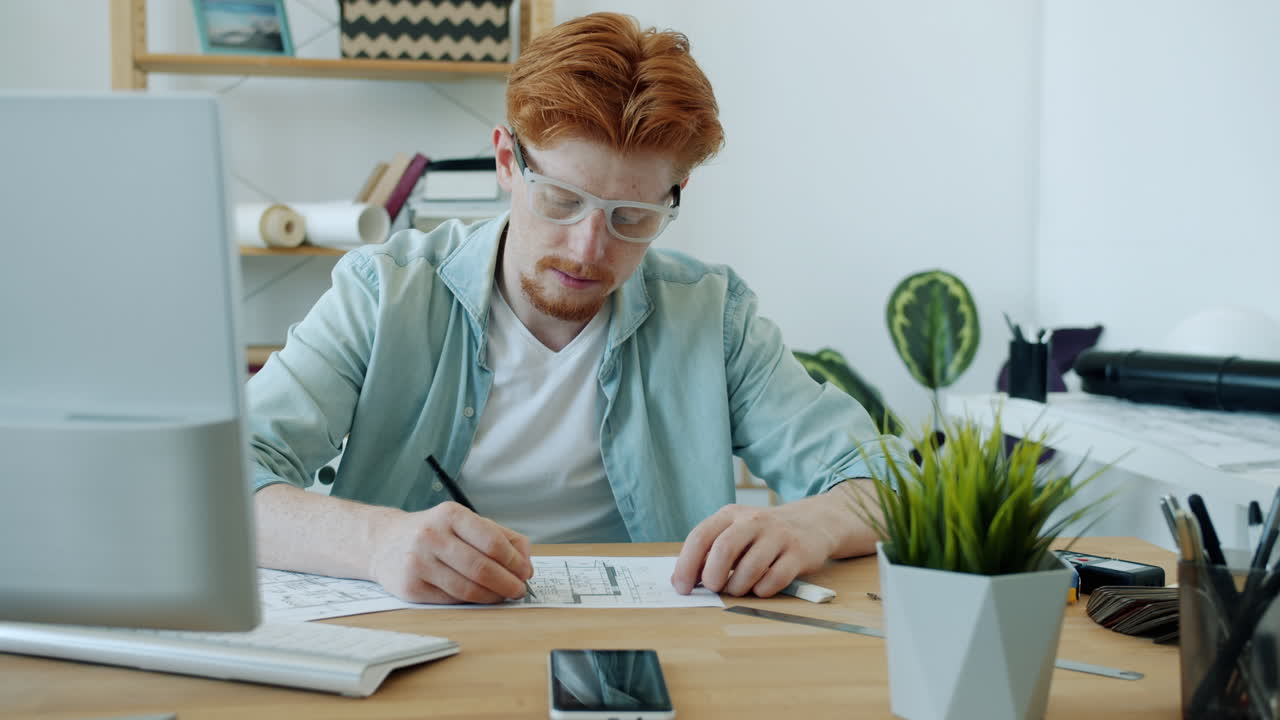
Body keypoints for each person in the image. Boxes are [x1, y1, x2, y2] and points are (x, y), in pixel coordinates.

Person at [249, 12, 903, 606]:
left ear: (676, 195)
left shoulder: (712, 316)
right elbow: (223, 482)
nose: (588, 249)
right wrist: (376, 541)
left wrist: (809, 523)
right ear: (508, 161)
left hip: (650, 645)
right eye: (562, 200)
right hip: (417, 641)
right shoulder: (386, 293)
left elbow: (891, 485)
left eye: (633, 217)